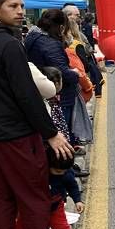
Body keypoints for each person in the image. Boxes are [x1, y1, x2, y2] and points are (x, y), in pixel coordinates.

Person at [0, 0, 72, 229]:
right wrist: (51, 132)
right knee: (32, 194)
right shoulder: (9, 44)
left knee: (0, 199)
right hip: (17, 135)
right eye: (13, 6)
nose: (20, 11)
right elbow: (26, 93)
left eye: (21, 6)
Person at [25, 8, 79, 143]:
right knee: (62, 131)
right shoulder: (49, 44)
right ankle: (64, 160)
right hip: (59, 93)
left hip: (42, 92)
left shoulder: (32, 37)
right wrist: (75, 74)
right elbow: (63, 73)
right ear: (60, 27)